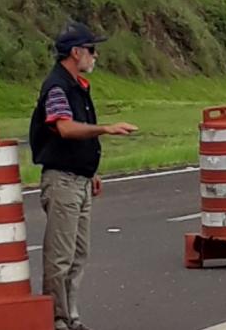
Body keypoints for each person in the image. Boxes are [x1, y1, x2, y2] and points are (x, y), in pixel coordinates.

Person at [29, 22, 138, 330]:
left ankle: (71, 316)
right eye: (91, 50)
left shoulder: (77, 86)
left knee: (78, 253)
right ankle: (57, 319)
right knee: (60, 256)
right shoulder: (58, 87)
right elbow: (64, 127)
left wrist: (91, 170)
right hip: (62, 180)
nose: (95, 56)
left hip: (79, 178)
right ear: (75, 53)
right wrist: (106, 129)